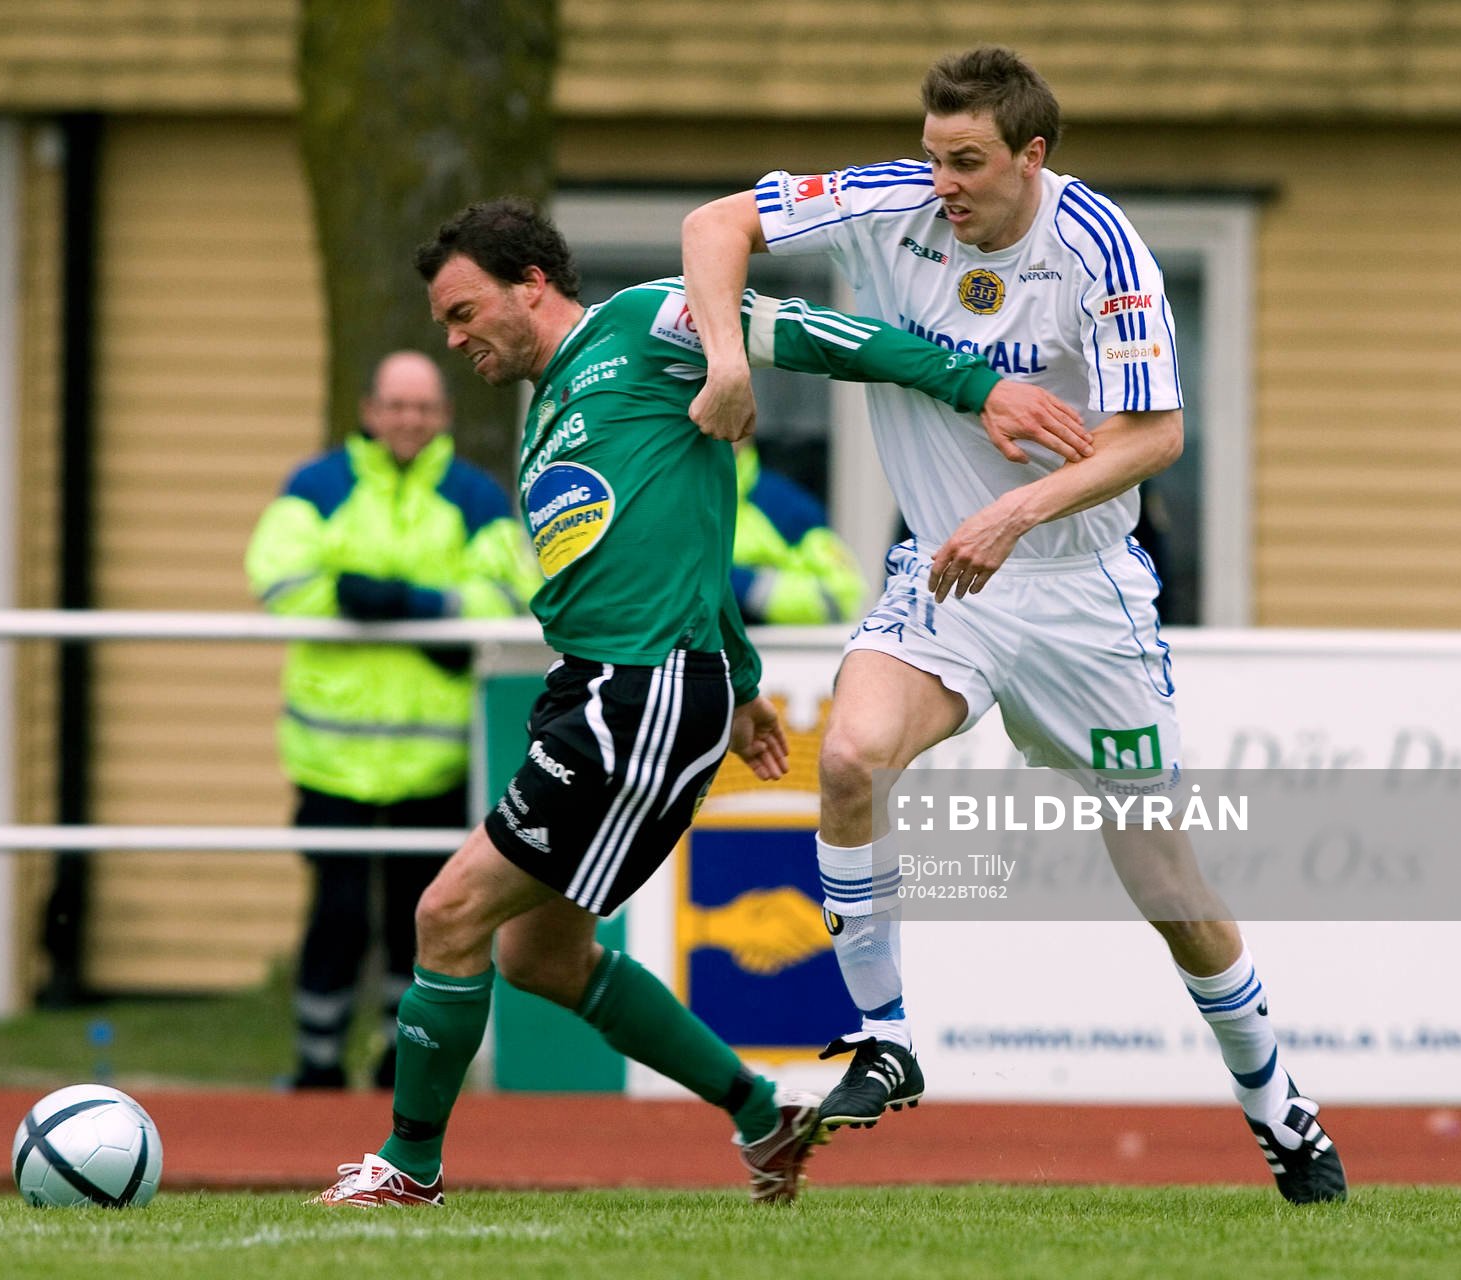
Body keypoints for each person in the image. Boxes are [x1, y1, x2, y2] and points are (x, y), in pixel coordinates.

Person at [309, 197, 1084, 1209]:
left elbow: (815, 332)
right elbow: (687, 539)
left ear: (530, 286)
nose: (455, 339)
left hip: (636, 694)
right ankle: (761, 1114)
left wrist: (975, 385)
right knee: (538, 953)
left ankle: (407, 1165)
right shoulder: (548, 408)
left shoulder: (644, 322)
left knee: (445, 910)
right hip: (611, 687)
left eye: (463, 311)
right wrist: (747, 681)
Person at [680, 45, 1346, 1204]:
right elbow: (712, 224)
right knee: (848, 757)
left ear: (1031, 156)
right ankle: (883, 1035)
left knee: (1168, 886)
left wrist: (1016, 512)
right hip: (943, 579)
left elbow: (1155, 436)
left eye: (968, 160)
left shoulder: (1098, 246)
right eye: (933, 152)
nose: (942, 179)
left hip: (1084, 596)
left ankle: (1275, 1103)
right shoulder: (893, 199)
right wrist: (731, 358)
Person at [245, 351, 538, 1091]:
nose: (409, 420)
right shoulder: (317, 485)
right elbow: (279, 581)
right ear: (370, 411)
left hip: (434, 759)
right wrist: (400, 601)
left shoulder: (473, 496)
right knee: (336, 915)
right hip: (330, 758)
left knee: (421, 917)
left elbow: (508, 597)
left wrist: (400, 603)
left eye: (423, 407)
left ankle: (392, 1065)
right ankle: (315, 1067)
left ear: (441, 416)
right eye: (396, 406)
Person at [730, 441, 868, 627]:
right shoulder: (678, 502)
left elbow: (840, 597)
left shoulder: (784, 507)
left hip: (766, 651)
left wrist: (743, 586)